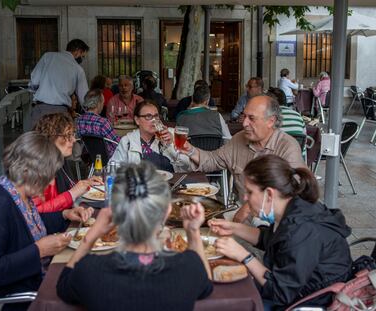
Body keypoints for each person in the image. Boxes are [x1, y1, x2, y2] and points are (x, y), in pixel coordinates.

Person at [57, 162, 213, 311]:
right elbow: (206, 285)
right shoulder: (187, 268)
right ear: (167, 211)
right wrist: (193, 231)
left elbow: (63, 287)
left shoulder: (90, 270)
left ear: (115, 213)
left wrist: (90, 236)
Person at [209, 155, 352, 310]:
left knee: (230, 300)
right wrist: (233, 227)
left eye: (249, 192)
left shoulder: (301, 229)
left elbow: (280, 292)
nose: (244, 197)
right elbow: (269, 239)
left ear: (269, 194)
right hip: (296, 287)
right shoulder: (293, 207)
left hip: (313, 301)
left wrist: (244, 256)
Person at [0, 132, 94, 311]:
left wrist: (65, 215)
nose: (50, 181)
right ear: (26, 170)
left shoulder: (18, 192)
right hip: (13, 296)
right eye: (46, 175)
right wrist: (39, 250)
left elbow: (27, 225)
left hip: (34, 276)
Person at [181, 95, 306, 223]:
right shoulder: (239, 139)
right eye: (244, 116)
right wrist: (189, 149)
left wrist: (248, 208)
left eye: (251, 118)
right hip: (239, 210)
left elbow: (294, 191)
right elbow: (214, 160)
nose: (244, 123)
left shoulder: (287, 146)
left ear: (271, 121)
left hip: (275, 219)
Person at [33, 113, 102, 213]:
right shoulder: (39, 168)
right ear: (51, 138)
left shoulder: (60, 161)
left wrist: (84, 183)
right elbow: (35, 213)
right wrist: (72, 193)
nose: (74, 140)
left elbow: (66, 191)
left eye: (73, 134)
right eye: (68, 135)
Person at [111, 100, 190, 172]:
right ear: (137, 120)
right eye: (148, 116)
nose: (154, 121)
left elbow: (188, 167)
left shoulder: (172, 134)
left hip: (170, 185)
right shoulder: (127, 141)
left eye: (156, 116)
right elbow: (112, 168)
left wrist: (171, 145)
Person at [30, 39, 90, 128]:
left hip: (40, 109)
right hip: (60, 113)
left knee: (37, 140)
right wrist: (90, 114)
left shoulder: (47, 56)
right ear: (78, 51)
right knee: (57, 141)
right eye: (82, 55)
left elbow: (34, 81)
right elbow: (84, 98)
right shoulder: (78, 69)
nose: (82, 59)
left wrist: (39, 92)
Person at [76, 89, 120, 157]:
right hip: (105, 158)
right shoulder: (103, 122)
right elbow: (117, 142)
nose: (103, 105)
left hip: (85, 157)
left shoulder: (78, 120)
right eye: (102, 102)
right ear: (98, 103)